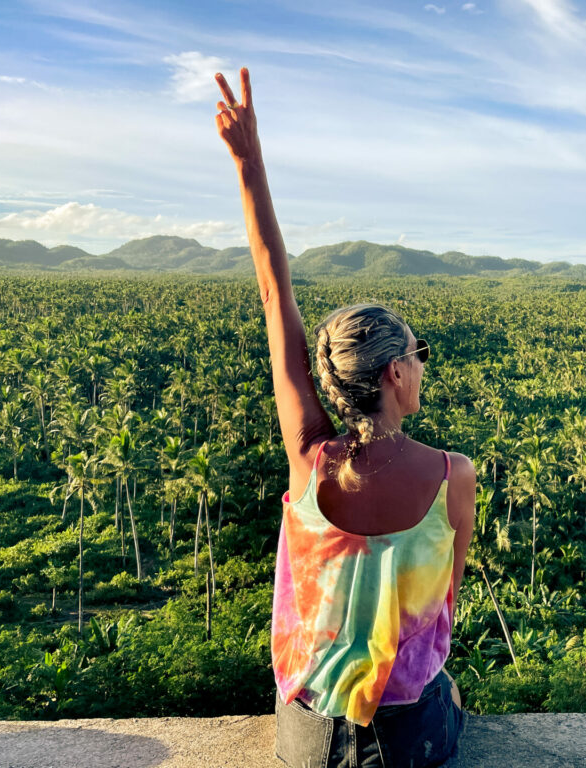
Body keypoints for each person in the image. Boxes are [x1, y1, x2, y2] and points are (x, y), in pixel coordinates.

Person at [215, 68, 476, 768]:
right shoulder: (453, 476)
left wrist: (248, 161)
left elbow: (275, 295)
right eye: (417, 355)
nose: (422, 366)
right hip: (406, 738)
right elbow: (442, 603)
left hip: (307, 735)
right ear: (395, 374)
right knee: (448, 690)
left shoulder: (309, 459)